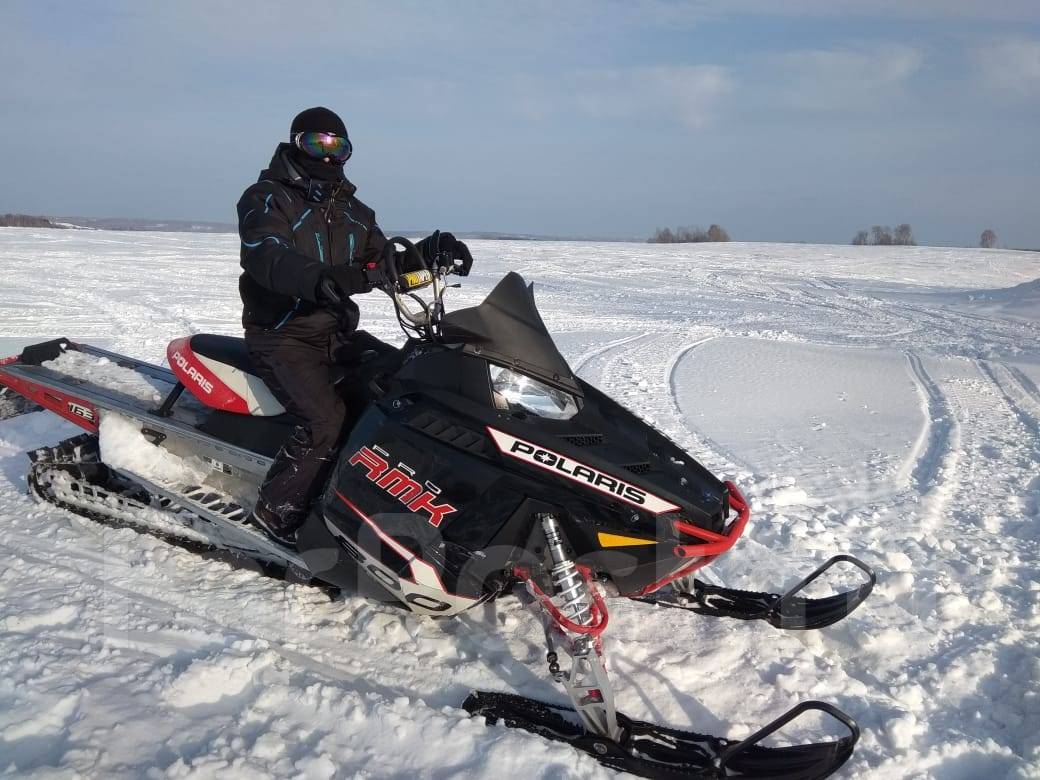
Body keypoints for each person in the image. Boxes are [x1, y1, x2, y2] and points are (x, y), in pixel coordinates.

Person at [237, 106, 470, 546]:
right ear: (295, 142)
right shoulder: (268, 197)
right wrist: (324, 278)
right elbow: (266, 256)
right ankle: (276, 512)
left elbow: (386, 268)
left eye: (337, 147)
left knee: (404, 391)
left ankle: (370, 497)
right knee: (325, 421)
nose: (326, 156)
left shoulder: (356, 212)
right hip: (282, 335)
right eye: (315, 144)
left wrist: (429, 256)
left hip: (336, 335)